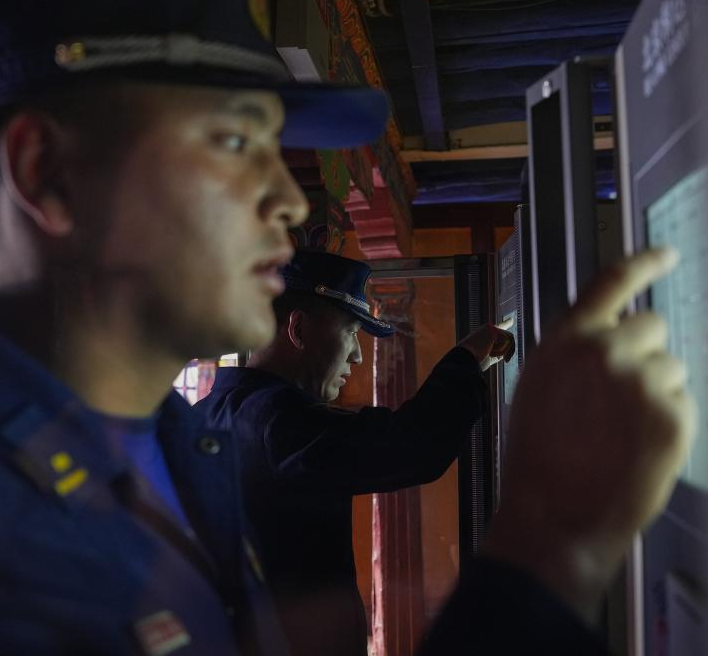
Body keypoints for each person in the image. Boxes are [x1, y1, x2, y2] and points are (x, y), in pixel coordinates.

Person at [0, 0, 696, 655]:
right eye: (235, 141)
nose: (286, 199)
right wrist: (551, 546)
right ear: (48, 174)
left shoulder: (160, 438)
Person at [195, 249, 514, 656]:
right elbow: (414, 446)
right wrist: (467, 359)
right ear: (299, 329)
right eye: (350, 333)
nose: (358, 355)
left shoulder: (208, 414)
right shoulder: (277, 423)